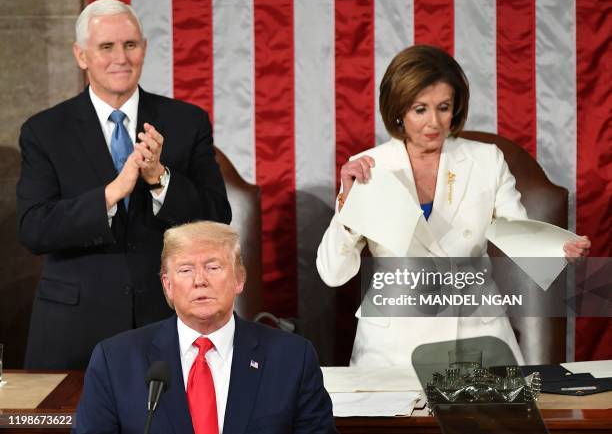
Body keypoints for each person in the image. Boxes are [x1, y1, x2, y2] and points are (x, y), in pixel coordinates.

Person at [316, 45, 590, 371]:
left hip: (477, 339)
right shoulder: (368, 167)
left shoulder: (487, 160)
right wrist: (349, 208)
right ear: (398, 110)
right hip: (392, 348)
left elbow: (516, 233)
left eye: (443, 108)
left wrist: (553, 249)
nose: (434, 122)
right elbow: (333, 273)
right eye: (420, 109)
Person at [17, 0, 231, 369]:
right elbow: (34, 228)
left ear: (144, 49)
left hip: (162, 323)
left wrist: (160, 179)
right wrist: (111, 194)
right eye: (106, 47)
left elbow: (216, 216)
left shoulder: (186, 121)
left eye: (130, 45)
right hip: (73, 329)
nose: (121, 57)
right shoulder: (44, 131)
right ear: (81, 55)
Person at [73, 221, 336, 434]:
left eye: (213, 267)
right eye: (186, 270)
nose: (200, 280)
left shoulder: (292, 358)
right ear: (168, 286)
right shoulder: (115, 360)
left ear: (239, 279)